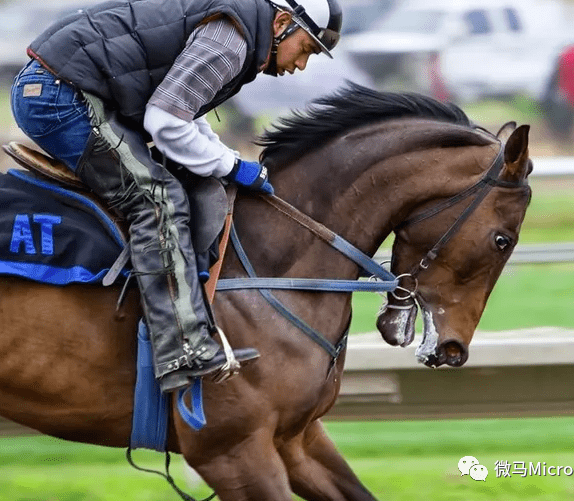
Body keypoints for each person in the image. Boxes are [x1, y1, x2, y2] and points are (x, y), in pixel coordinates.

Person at [10, 0, 342, 393]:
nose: (300, 64)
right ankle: (181, 348)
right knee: (158, 200)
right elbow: (166, 122)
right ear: (283, 22)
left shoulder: (236, 30)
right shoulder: (231, 42)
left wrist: (228, 160)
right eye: (305, 48)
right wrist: (233, 167)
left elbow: (185, 113)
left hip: (68, 88)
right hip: (59, 98)